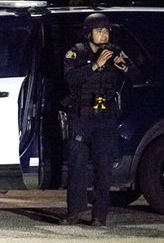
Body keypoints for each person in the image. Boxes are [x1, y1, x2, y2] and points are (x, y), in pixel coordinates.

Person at [61, 13, 136, 227]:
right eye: (99, 31)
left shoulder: (116, 52)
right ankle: (73, 213)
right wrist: (94, 65)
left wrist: (125, 67)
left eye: (106, 31)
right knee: (77, 168)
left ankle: (99, 216)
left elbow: (137, 77)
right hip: (82, 118)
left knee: (104, 169)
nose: (104, 35)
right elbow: (70, 78)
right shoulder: (76, 53)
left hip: (106, 118)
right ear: (88, 33)